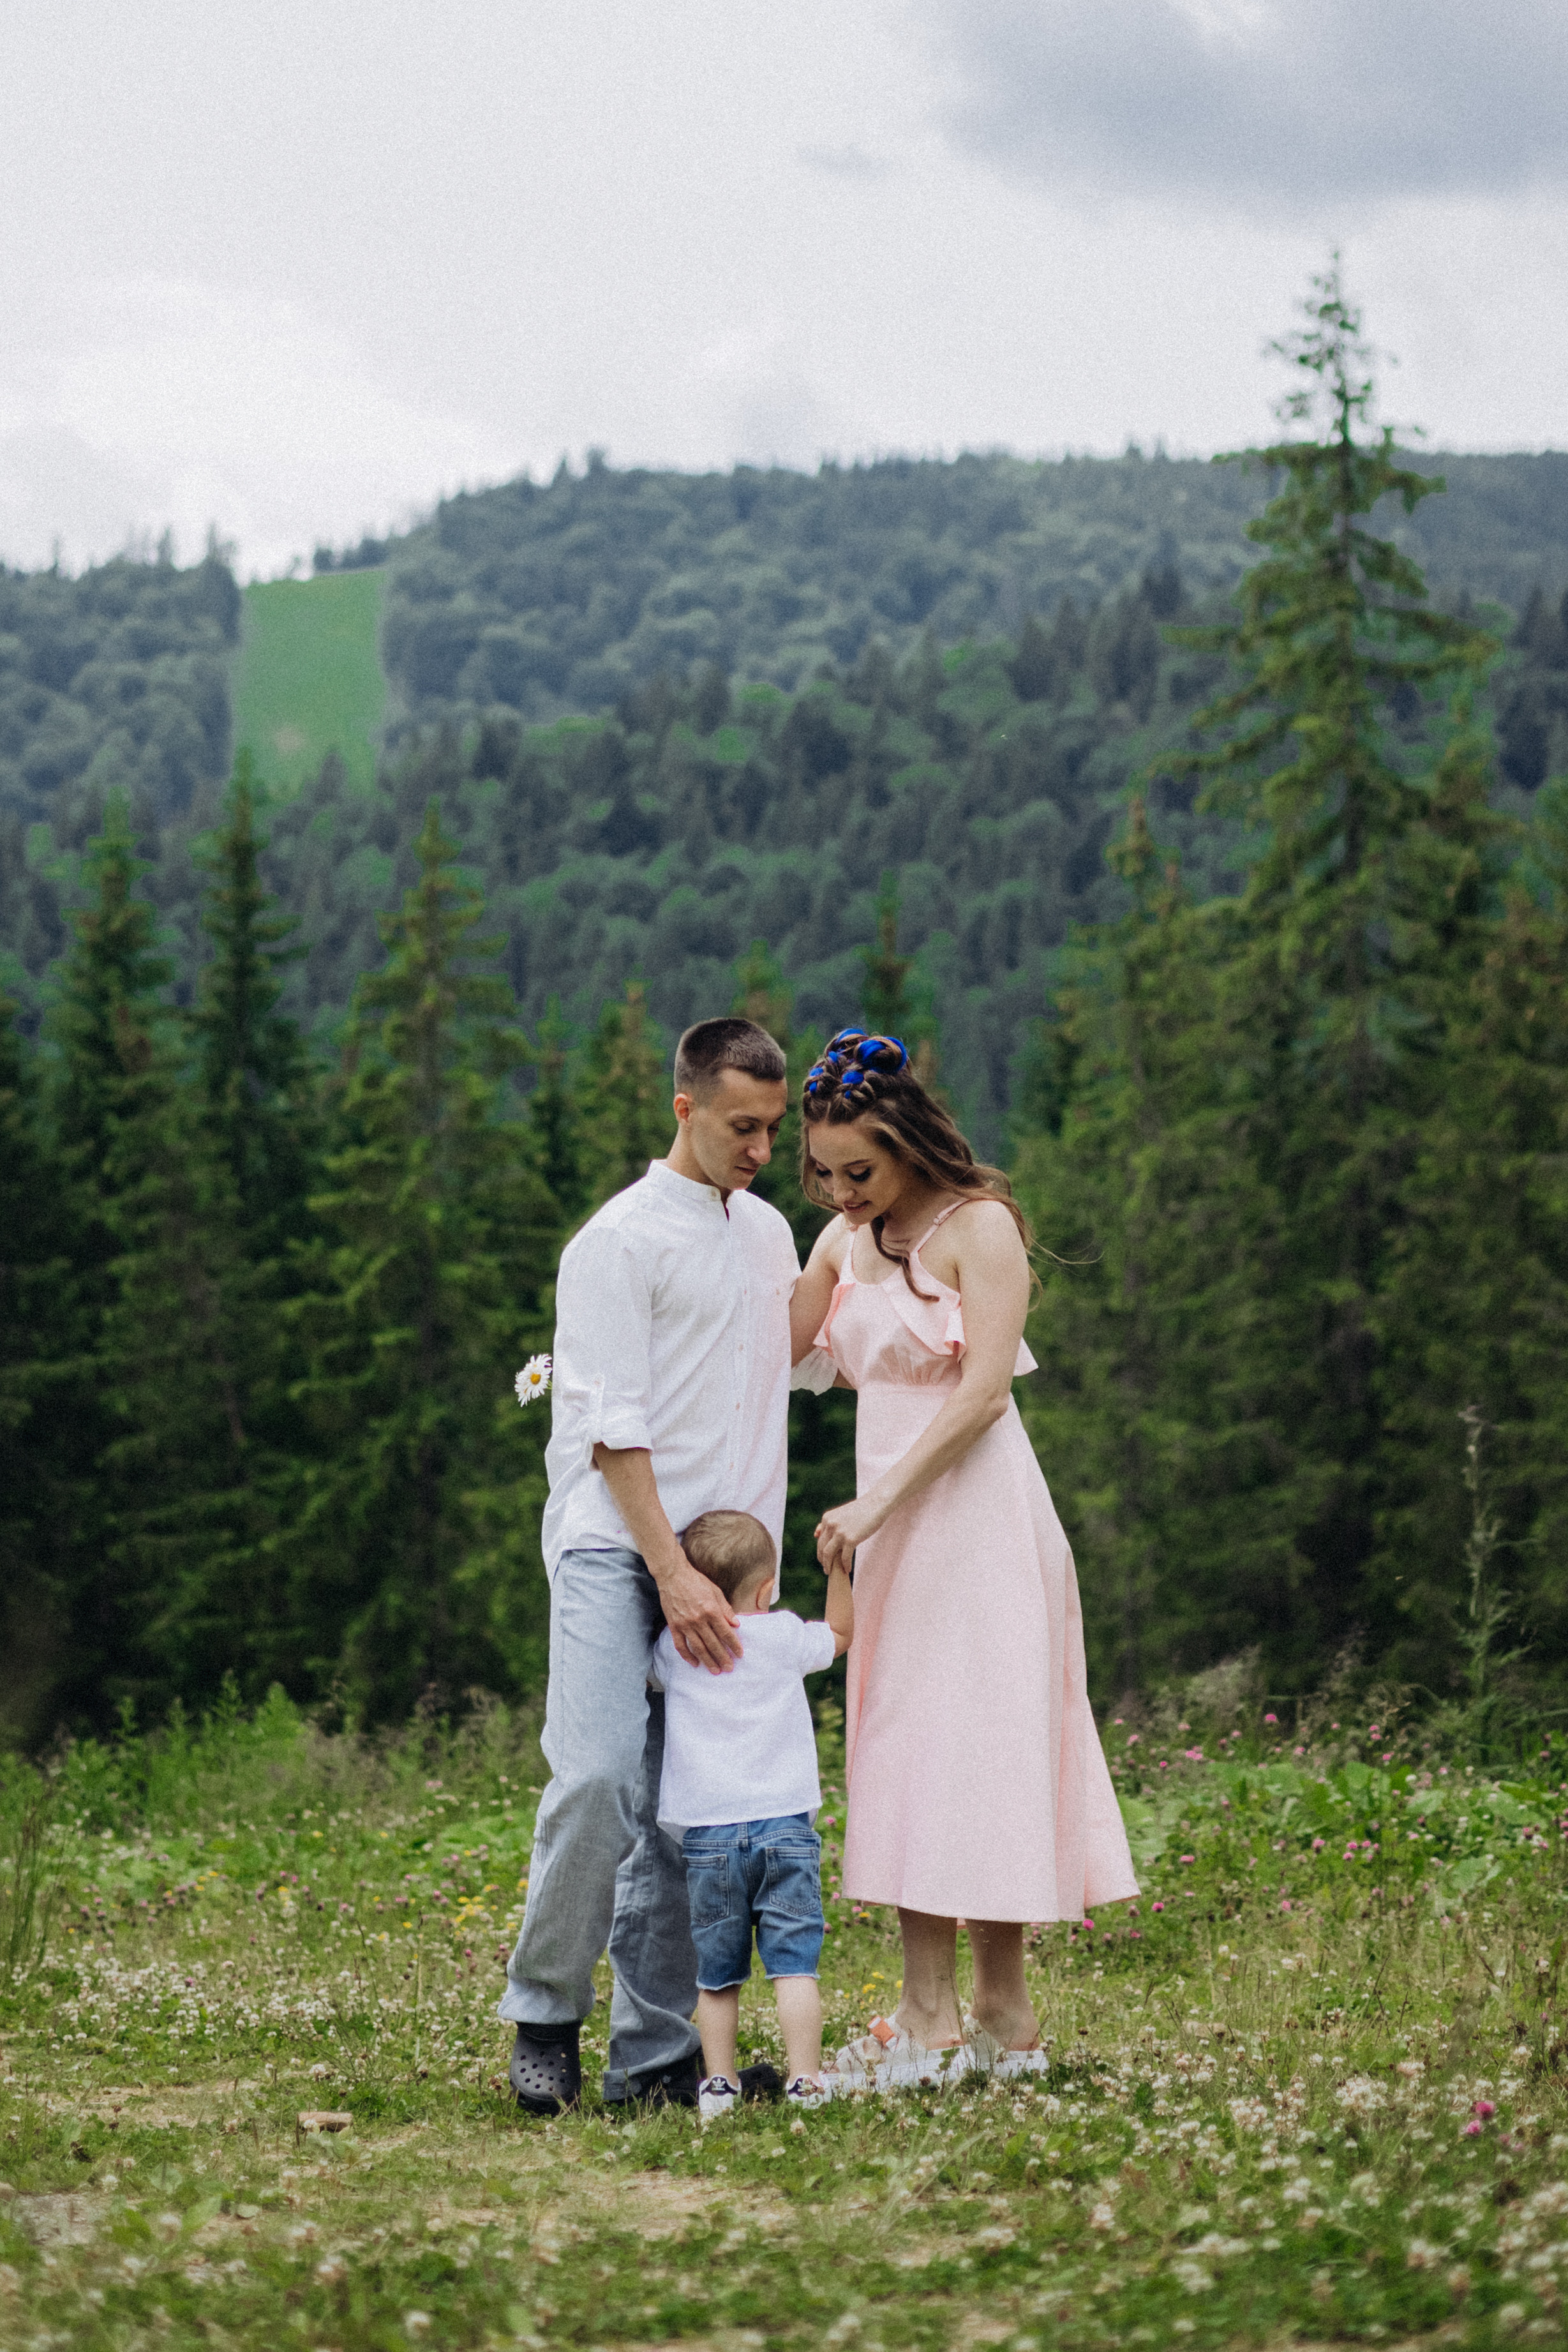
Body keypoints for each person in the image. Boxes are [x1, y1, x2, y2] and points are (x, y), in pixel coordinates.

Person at [789, 1029, 1137, 2089]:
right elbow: (782, 1345)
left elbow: (983, 1393)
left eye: (862, 1171)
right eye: (825, 1174)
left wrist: (877, 1503)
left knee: (982, 1740)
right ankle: (935, 2009)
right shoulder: (844, 1242)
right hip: (890, 1520)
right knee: (906, 1744)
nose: (844, 1193)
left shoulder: (977, 1227)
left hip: (971, 1512)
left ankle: (993, 2008)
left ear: (910, 1144)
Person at [500, 1016, 798, 2114]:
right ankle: (542, 2012)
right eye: (739, 1126)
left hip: (718, 1561)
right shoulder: (615, 1242)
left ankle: (655, 2062)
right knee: (597, 1776)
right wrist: (668, 1570)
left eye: (773, 1127)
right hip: (611, 1546)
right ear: (684, 1110)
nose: (760, 1147)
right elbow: (610, 1428)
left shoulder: (770, 1239)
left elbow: (805, 1352)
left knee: (688, 1811)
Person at [650, 1508, 853, 2119]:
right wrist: (838, 1569)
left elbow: (648, 1677)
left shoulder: (675, 1643)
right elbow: (841, 1634)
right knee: (794, 1967)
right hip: (785, 1827)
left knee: (717, 1976)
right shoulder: (786, 1634)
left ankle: (717, 2084)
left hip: (708, 1835)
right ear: (767, 1588)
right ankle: (805, 2080)